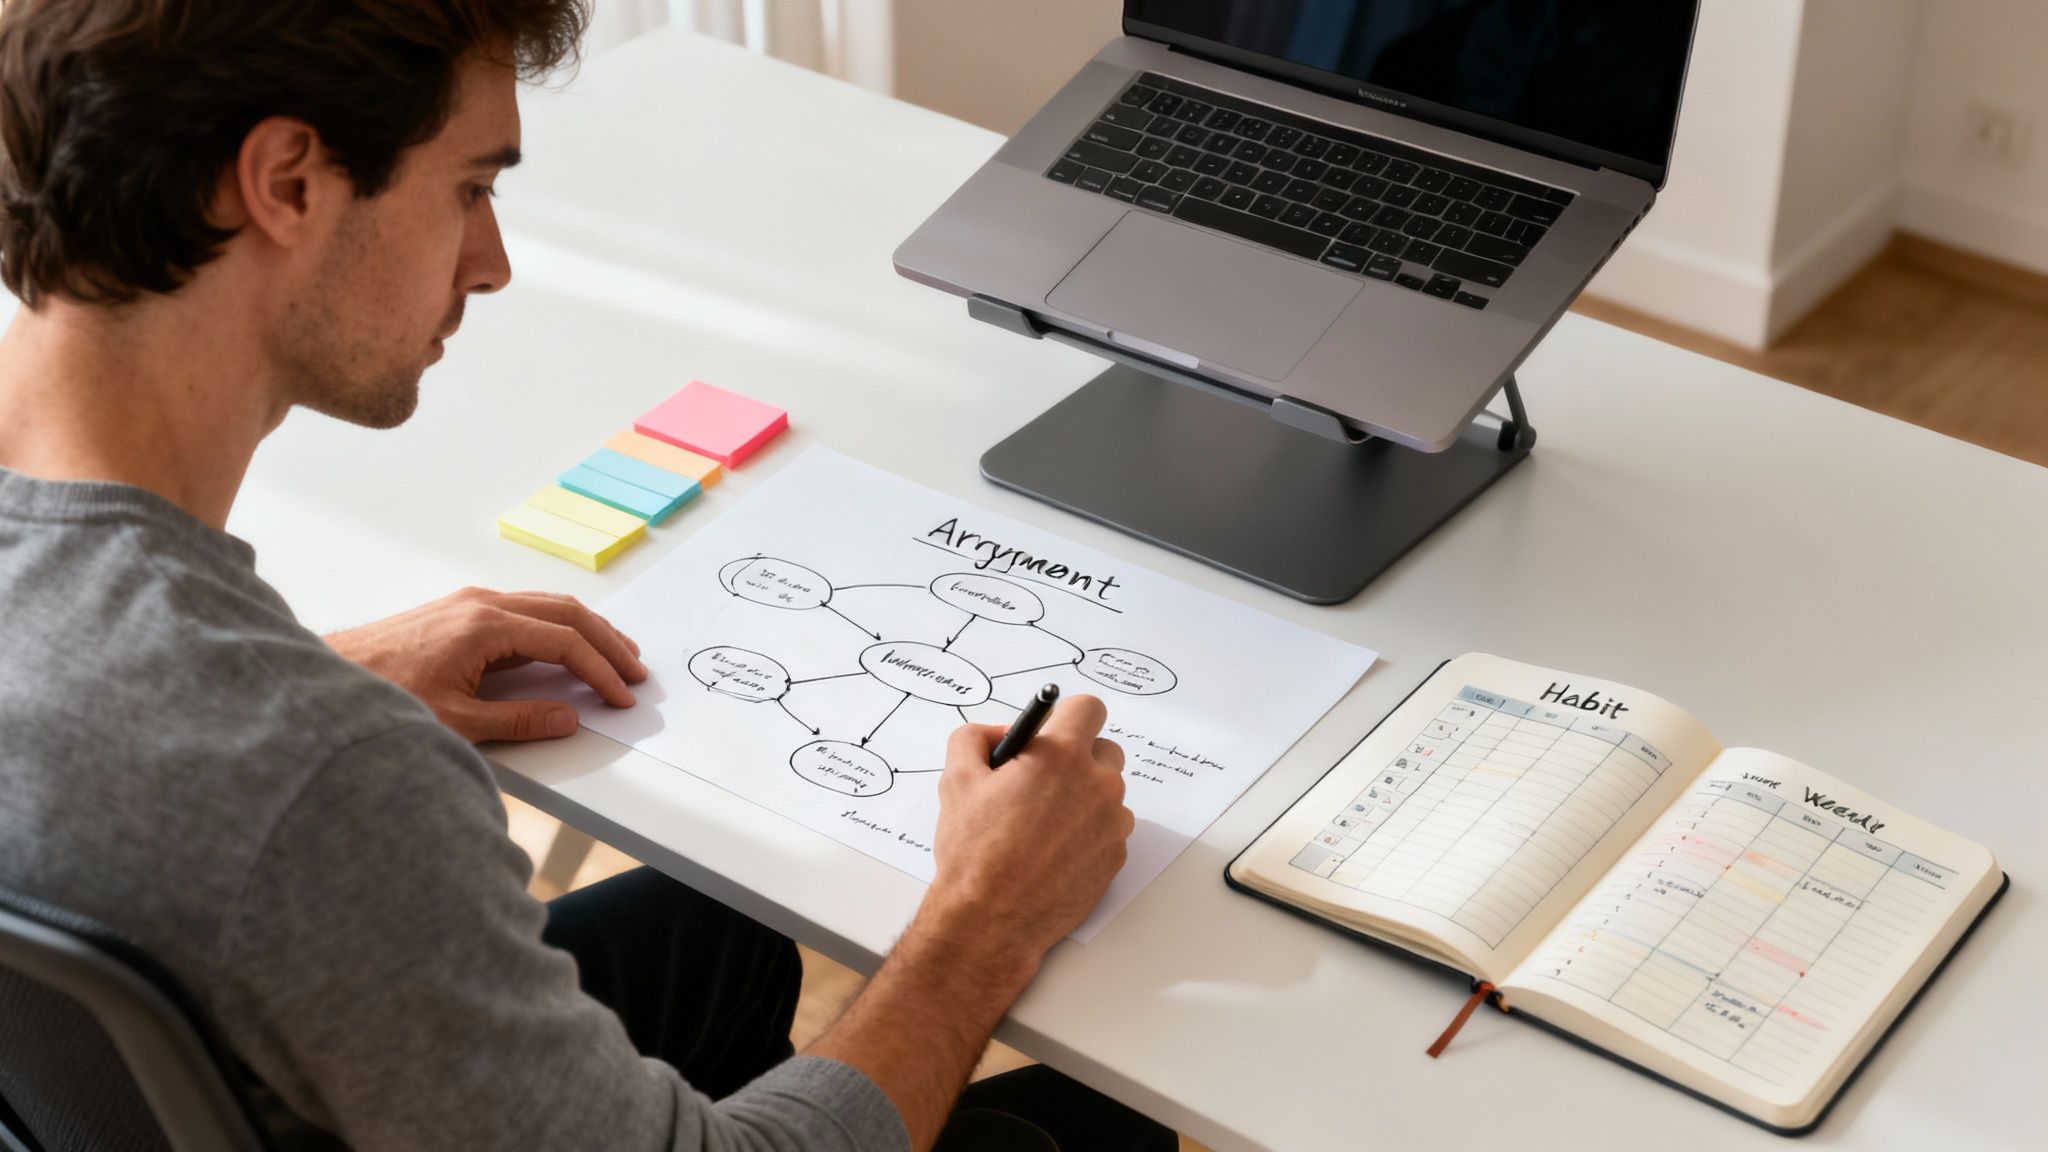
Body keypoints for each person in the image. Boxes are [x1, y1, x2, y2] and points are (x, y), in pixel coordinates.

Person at [0, 2, 1174, 1149]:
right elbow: (287, 787)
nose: (492, 262)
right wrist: (983, 920)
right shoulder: (327, 777)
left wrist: (313, 675)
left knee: (718, 937)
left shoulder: (212, 710)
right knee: (1091, 1120)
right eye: (469, 186)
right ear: (289, 180)